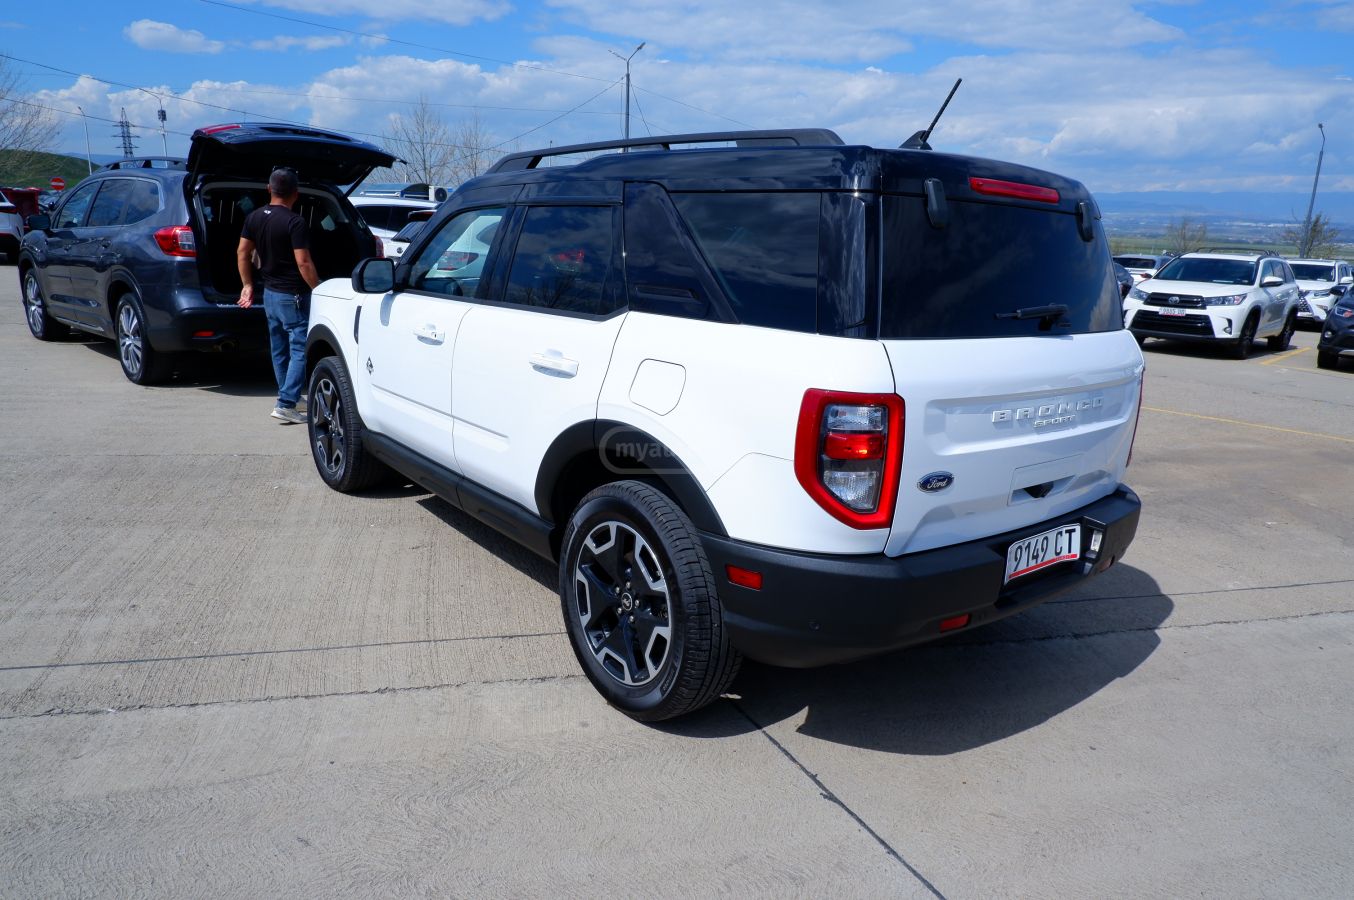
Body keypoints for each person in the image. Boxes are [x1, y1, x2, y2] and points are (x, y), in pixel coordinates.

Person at [236, 167, 320, 424]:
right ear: (296, 193)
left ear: (269, 189)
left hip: (269, 294)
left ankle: (289, 395)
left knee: (279, 349)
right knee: (299, 349)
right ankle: (285, 403)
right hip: (292, 294)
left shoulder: (254, 217)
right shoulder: (295, 222)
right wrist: (319, 288)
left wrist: (247, 284)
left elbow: (242, 252)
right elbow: (303, 262)